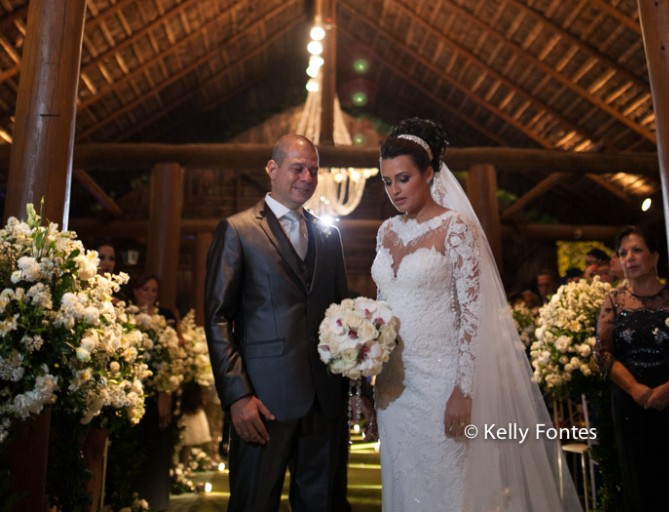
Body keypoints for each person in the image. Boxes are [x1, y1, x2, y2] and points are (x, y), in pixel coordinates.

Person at [371, 117, 584, 512]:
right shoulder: (386, 232)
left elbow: (474, 317)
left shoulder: (456, 229)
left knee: (448, 489)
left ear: (429, 173)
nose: (394, 191)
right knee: (402, 484)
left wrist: (464, 392)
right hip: (393, 389)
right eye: (386, 181)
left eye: (403, 179)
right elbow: (379, 309)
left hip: (442, 385)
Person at [204, 134, 350, 512]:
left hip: (325, 400)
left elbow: (342, 316)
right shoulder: (237, 230)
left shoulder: (329, 235)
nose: (307, 177)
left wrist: (354, 390)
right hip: (263, 401)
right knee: (254, 503)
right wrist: (237, 395)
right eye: (297, 168)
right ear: (272, 169)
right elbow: (217, 318)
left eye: (314, 170)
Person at [596, 226, 669, 512]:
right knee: (637, 479)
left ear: (655, 256)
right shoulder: (614, 301)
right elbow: (602, 353)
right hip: (630, 400)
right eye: (623, 253)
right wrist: (634, 389)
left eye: (637, 250)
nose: (629, 258)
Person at [128, 271, 177, 512]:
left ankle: (156, 501)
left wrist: (165, 392)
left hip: (158, 393)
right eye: (145, 289)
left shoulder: (164, 317)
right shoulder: (127, 315)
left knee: (156, 450)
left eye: (154, 290)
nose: (149, 294)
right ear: (136, 290)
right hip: (132, 391)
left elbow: (173, 357)